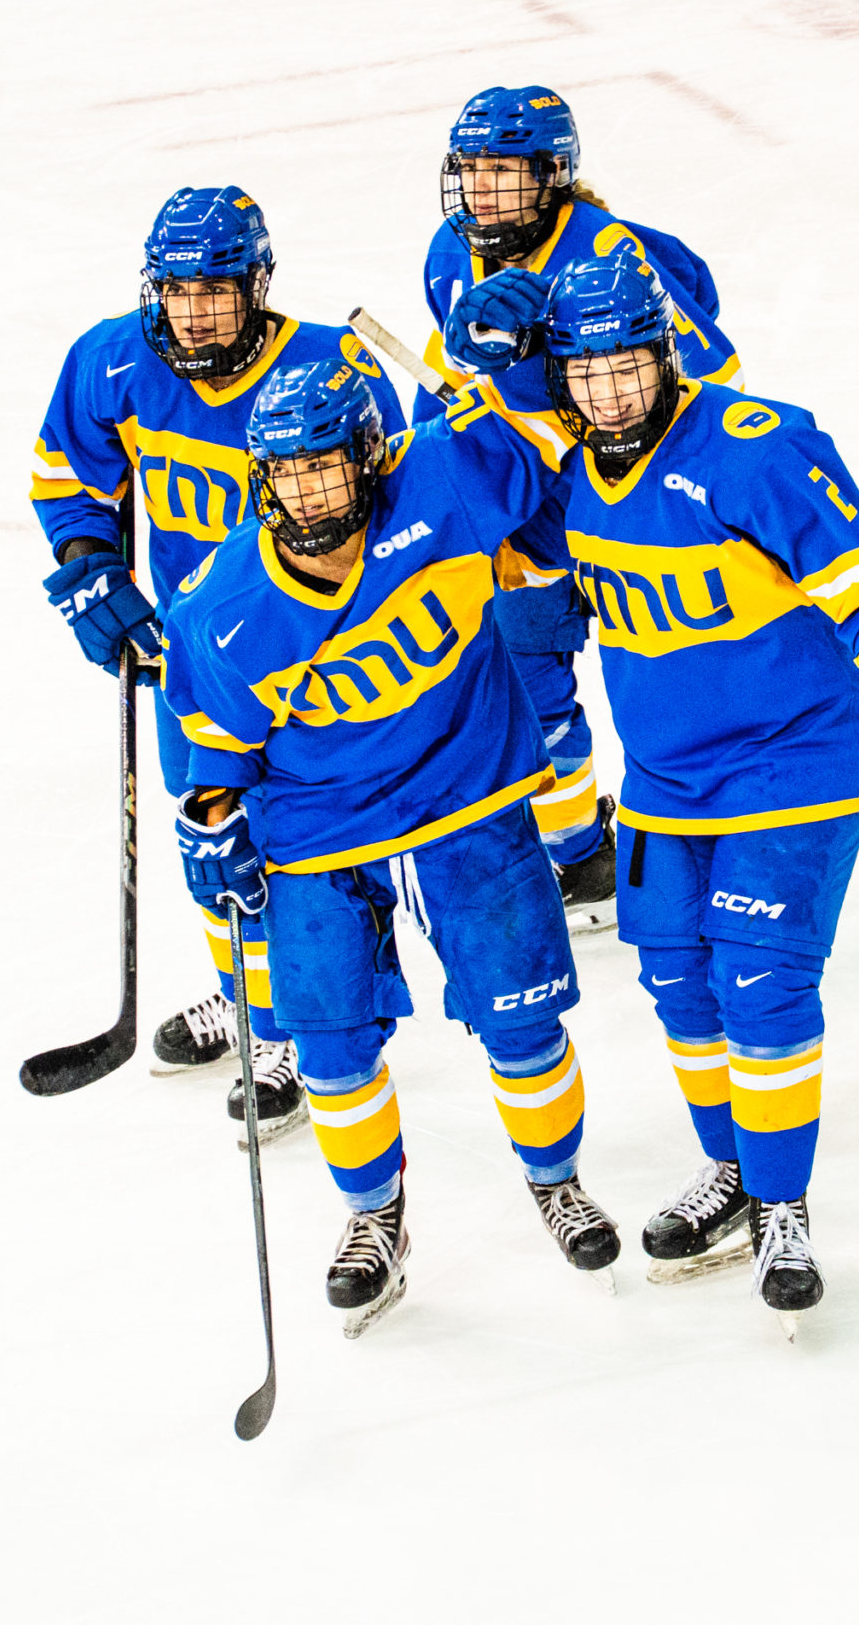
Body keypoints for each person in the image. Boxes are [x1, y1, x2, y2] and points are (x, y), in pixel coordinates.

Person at [491, 255, 859, 1327]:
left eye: (631, 368)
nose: (611, 394)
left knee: (763, 986)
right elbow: (524, 573)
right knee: (683, 989)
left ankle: (782, 1204)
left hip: (793, 764)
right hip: (667, 779)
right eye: (587, 373)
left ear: (667, 356)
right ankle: (733, 1172)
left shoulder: (756, 448)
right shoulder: (566, 469)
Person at [159, 357, 622, 1335]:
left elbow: (565, 476)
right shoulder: (223, 606)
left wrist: (505, 397)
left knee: (522, 1025)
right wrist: (209, 826)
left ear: (373, 459)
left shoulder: (444, 477)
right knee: (327, 1049)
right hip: (315, 834)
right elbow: (209, 753)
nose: (308, 493)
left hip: (466, 802)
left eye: (326, 468)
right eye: (285, 473)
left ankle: (556, 1181)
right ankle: (374, 1216)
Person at [28, 185, 405, 1145]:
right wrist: (89, 568)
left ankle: (303, 1023)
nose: (194, 312)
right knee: (212, 835)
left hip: (320, 659)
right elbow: (67, 475)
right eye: (179, 290)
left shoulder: (330, 368)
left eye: (217, 289)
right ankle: (254, 999)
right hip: (196, 660)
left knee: (301, 842)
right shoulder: (113, 357)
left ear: (258, 285)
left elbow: (395, 504)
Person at [414, 86, 743, 935]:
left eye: (503, 171)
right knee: (529, 690)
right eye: (471, 170)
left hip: (627, 512)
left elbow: (711, 385)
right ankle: (579, 855)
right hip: (527, 519)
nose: (481, 191)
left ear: (553, 174)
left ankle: (780, 800)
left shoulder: (611, 255)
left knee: (695, 689)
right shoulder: (451, 254)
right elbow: (458, 378)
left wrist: (536, 386)